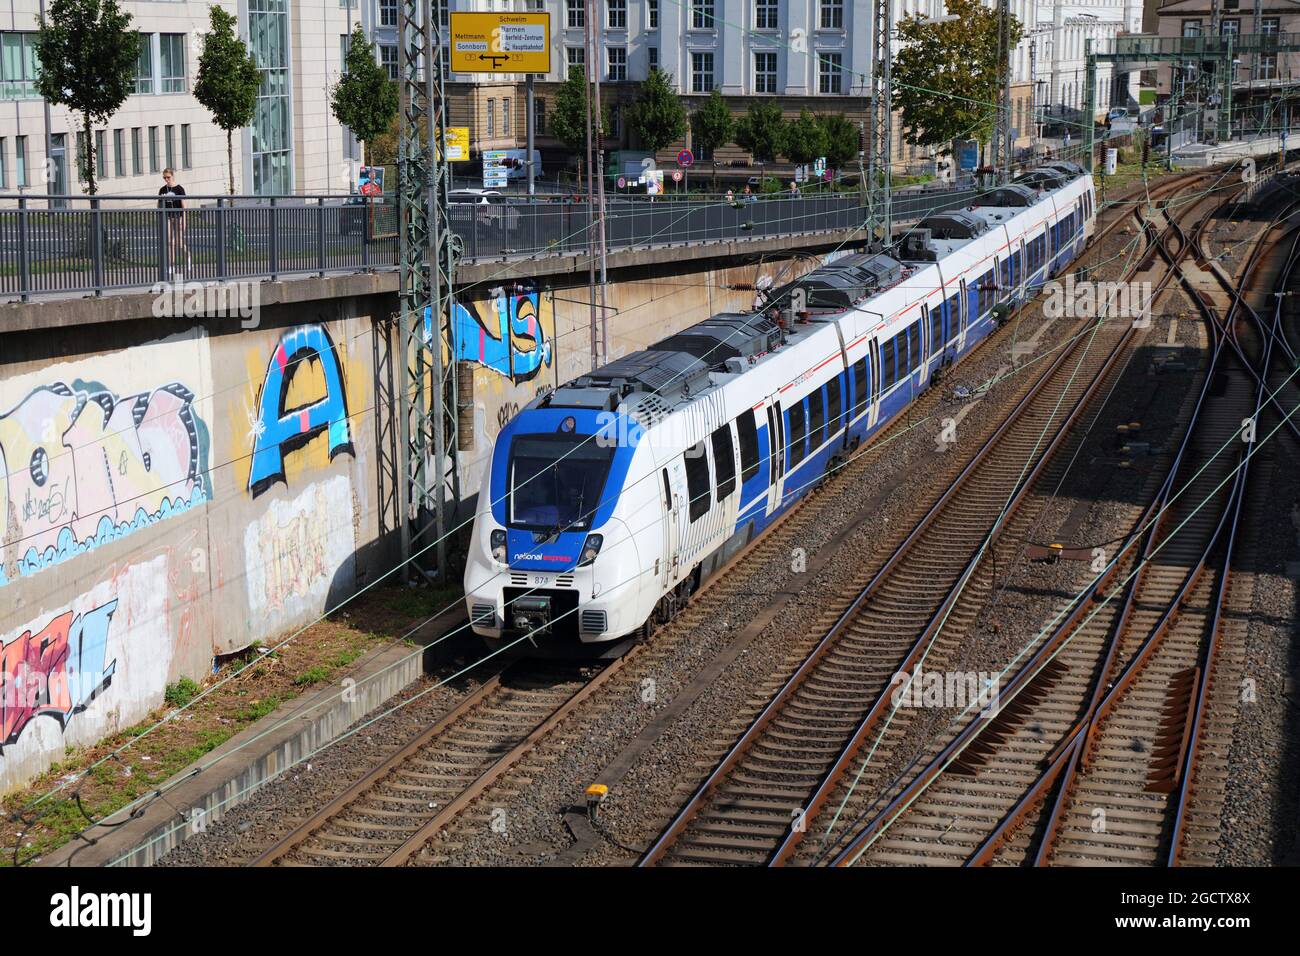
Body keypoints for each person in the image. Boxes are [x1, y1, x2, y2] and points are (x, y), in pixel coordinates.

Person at [158, 168, 189, 276]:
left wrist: (184, 220)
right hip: (168, 217)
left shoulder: (179, 189)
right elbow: (159, 205)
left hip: (178, 217)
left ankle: (188, 256)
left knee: (179, 242)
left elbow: (184, 206)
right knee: (170, 242)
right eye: (164, 177)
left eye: (168, 177)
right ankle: (171, 265)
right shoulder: (162, 190)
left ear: (172, 176)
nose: (166, 179)